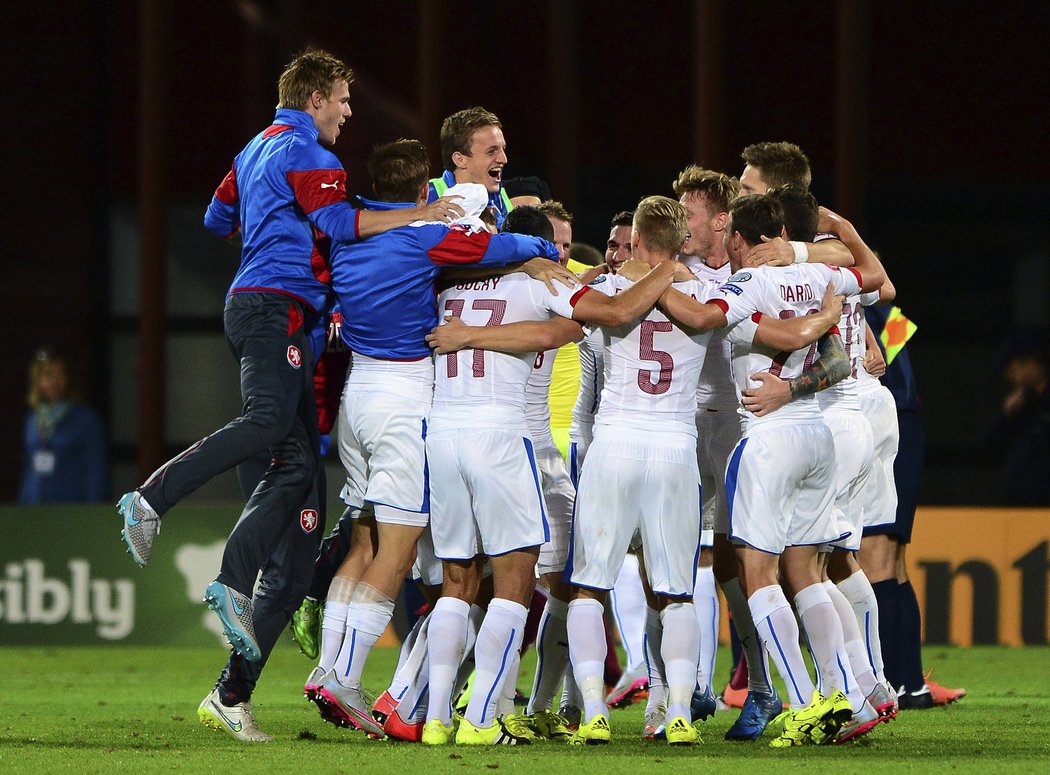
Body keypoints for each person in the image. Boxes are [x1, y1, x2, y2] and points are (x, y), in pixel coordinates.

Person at [116, 49, 463, 734]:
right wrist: (423, 215)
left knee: (301, 518)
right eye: (340, 98)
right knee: (270, 422)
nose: (348, 111)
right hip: (274, 306)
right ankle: (153, 499)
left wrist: (271, 225)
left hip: (276, 311)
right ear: (312, 99)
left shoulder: (254, 148)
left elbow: (219, 219)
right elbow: (340, 226)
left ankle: (232, 693)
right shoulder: (315, 159)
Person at [306, 139, 569, 739]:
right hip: (406, 397)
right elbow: (498, 245)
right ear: (424, 190)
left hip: (357, 398)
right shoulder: (422, 237)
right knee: (402, 551)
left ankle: (335, 667)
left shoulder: (349, 235)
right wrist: (538, 247)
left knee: (367, 540)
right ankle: (345, 678)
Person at [19, 348, 107, 505]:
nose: (54, 382)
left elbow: (96, 471)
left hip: (71, 506)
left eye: (59, 376)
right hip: (34, 506)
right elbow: (29, 468)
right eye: (47, 376)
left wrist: (93, 509)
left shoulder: (86, 420)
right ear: (38, 382)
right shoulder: (32, 419)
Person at [985, 340, 1050, 505]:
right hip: (1020, 502)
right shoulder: (1021, 405)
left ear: (1034, 364)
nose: (1011, 377)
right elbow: (990, 444)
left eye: (1016, 369)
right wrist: (1006, 416)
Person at [428, 107, 514, 229]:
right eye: (491, 151)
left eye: (503, 149)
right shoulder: (426, 196)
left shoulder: (500, 198)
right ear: (460, 160)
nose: (503, 159)